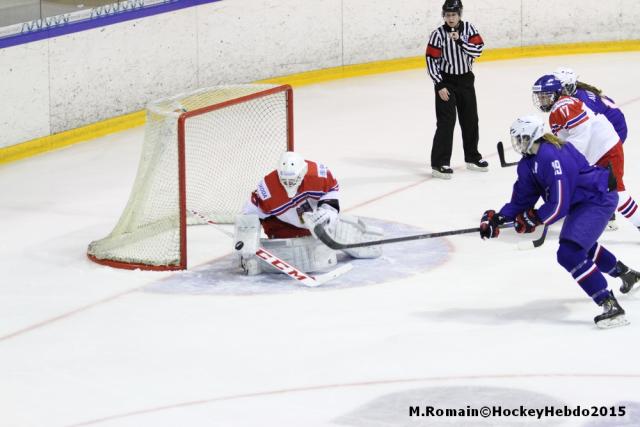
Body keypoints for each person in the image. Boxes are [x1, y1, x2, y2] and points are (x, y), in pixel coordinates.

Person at [479, 115, 640, 328]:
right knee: (582, 245)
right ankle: (627, 275)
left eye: (523, 138)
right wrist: (499, 218)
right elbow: (522, 198)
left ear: (535, 135)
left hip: (597, 198)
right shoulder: (528, 162)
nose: (518, 143)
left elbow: (559, 204)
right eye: (516, 139)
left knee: (569, 253)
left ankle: (610, 305)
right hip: (583, 201)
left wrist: (534, 219)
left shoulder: (550, 155)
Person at [234, 151, 382, 275]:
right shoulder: (267, 188)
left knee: (331, 229)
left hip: (313, 219)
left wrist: (328, 211)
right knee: (301, 255)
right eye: (284, 179)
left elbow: (332, 190)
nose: (289, 183)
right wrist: (247, 245)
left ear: (303, 171)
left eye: (293, 179)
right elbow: (249, 215)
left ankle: (362, 239)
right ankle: (257, 262)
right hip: (284, 224)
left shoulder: (318, 174)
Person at [532, 73, 640, 231]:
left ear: (555, 94)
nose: (541, 101)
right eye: (539, 97)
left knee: (617, 194)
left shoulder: (563, 107)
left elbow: (582, 133)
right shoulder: (559, 109)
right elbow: (567, 139)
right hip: (597, 151)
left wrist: (564, 157)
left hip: (607, 150)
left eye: (544, 97)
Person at [426, 0, 488, 179]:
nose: (450, 18)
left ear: (459, 14)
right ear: (443, 16)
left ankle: (472, 157)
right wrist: (439, 84)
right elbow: (431, 60)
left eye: (453, 15)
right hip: (447, 82)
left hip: (466, 80)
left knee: (470, 120)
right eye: (447, 15)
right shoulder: (437, 34)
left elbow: (478, 51)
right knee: (446, 122)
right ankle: (439, 164)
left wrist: (460, 41)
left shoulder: (469, 29)